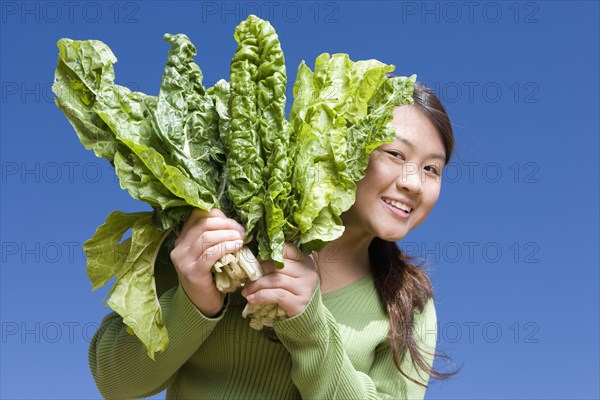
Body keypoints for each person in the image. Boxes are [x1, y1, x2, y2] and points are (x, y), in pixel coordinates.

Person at [89, 82, 455, 399]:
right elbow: (114, 383)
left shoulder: (409, 302)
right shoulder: (220, 242)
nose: (413, 182)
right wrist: (193, 300)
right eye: (395, 153)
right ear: (342, 147)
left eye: (431, 169)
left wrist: (309, 326)